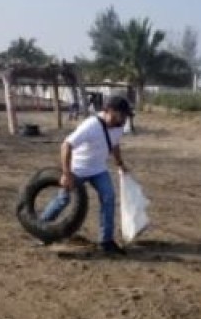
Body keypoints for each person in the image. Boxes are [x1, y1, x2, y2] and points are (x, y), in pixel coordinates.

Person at [40, 95, 133, 254]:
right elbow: (66, 145)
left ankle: (106, 241)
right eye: (122, 114)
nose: (125, 119)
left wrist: (120, 163)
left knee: (109, 197)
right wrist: (66, 174)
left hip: (99, 170)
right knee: (63, 199)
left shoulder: (118, 127)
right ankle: (41, 229)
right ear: (110, 111)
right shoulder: (91, 125)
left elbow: (114, 144)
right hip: (78, 170)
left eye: (126, 115)